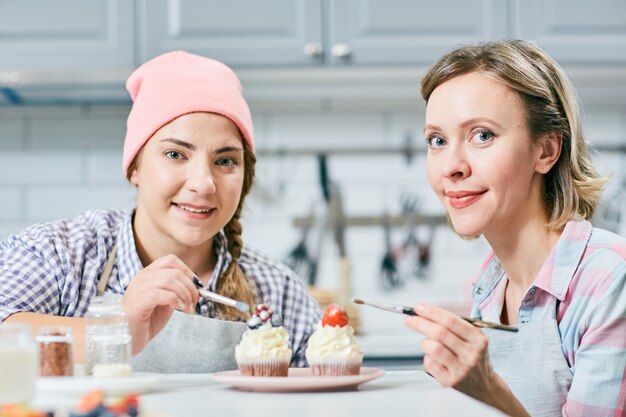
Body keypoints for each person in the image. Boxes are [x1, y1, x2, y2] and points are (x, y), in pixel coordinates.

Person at [0, 51, 322, 373]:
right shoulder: (62, 257)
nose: (203, 183)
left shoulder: (275, 290)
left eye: (225, 161)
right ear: (135, 167)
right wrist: (115, 329)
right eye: (175, 154)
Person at [405, 40, 626, 417]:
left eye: (482, 135)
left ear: (546, 151)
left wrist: (488, 389)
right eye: (437, 140)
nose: (451, 166)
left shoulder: (609, 280)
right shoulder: (491, 285)